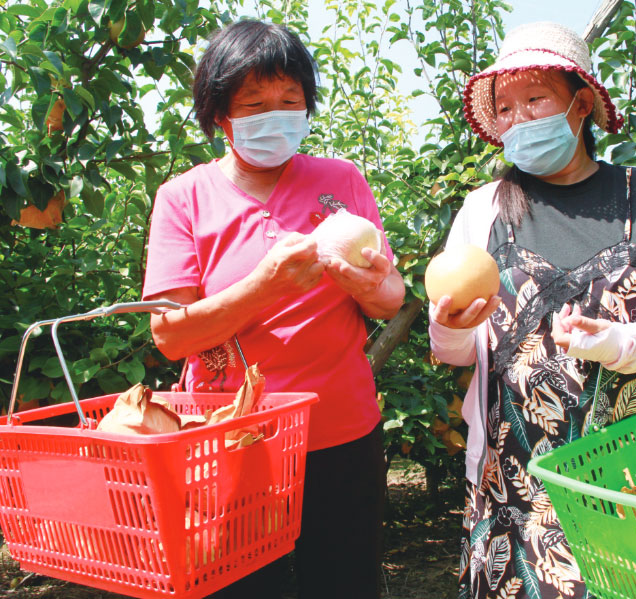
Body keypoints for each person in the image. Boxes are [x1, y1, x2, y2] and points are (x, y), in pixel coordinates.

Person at [428, 22, 636, 598]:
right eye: (505, 107)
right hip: (515, 486)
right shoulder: (485, 209)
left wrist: (622, 343)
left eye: (536, 98)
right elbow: (457, 351)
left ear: (582, 103)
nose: (519, 118)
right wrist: (449, 326)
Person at [142, 20, 405, 599]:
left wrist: (371, 286)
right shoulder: (184, 199)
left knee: (343, 585)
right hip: (231, 443)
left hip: (340, 433)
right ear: (220, 115)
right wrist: (264, 287)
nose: (277, 115)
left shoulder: (340, 180)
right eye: (255, 103)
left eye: (290, 100)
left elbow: (391, 298)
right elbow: (170, 336)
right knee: (235, 586)